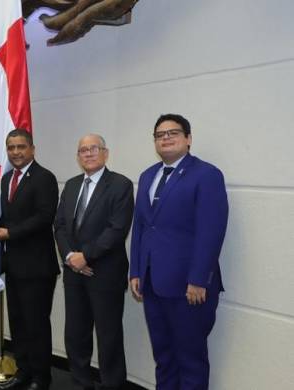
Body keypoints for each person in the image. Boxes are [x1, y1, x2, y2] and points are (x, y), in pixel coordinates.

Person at [130, 114, 228, 390]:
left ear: (188, 139)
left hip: (189, 286)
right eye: (160, 134)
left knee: (190, 359)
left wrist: (199, 279)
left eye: (173, 132)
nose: (166, 138)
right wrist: (136, 270)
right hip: (152, 283)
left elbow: (211, 231)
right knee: (164, 356)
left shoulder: (207, 175)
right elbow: (140, 227)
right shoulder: (148, 175)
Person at [54, 134, 134, 390]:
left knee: (108, 337)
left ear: (105, 153)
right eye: (83, 150)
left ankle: (112, 385)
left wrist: (85, 256)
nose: (88, 154)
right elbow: (60, 225)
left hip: (105, 274)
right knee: (75, 335)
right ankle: (80, 383)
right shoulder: (72, 185)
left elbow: (116, 229)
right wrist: (70, 257)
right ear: (78, 156)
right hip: (74, 273)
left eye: (93, 149)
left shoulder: (120, 185)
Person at [0, 129, 59, 390]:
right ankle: (23, 372)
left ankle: (41, 378)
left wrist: (10, 233)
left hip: (38, 267)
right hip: (14, 266)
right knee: (18, 323)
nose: (16, 152)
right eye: (11, 147)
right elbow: (7, 219)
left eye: (21, 147)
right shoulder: (7, 179)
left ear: (32, 149)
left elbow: (44, 217)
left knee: (36, 324)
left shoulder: (44, 178)